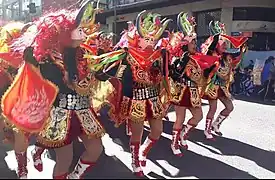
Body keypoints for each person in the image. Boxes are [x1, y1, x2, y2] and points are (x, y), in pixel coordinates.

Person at [13, 1, 105, 178]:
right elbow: (37, 67)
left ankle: (74, 176)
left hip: (84, 111)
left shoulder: (82, 55)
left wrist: (103, 72)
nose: (84, 35)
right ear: (65, 34)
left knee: (96, 149)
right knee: (65, 158)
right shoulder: (48, 60)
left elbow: (92, 80)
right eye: (80, 31)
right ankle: (27, 163)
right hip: (60, 113)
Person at [87, 10, 171, 177]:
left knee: (157, 130)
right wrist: (104, 74)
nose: (150, 42)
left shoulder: (157, 55)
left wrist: (163, 61)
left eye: (152, 39)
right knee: (137, 133)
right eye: (146, 39)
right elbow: (109, 72)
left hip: (153, 98)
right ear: (137, 39)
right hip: (136, 99)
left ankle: (144, 152)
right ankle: (135, 160)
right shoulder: (127, 54)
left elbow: (163, 74)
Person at [164, 13, 219, 155]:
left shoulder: (197, 58)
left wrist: (210, 69)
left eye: (195, 42)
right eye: (193, 42)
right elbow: (174, 74)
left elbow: (202, 74)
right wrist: (182, 62)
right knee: (180, 119)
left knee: (198, 116)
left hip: (193, 91)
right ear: (185, 44)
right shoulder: (178, 58)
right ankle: (174, 143)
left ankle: (183, 134)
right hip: (181, 90)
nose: (195, 45)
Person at [0, 21, 37, 179]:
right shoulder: (4, 60)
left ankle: (23, 168)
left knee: (21, 134)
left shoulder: (30, 58)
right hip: (4, 100)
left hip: (20, 103)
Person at [201, 21, 248, 139]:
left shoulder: (227, 57)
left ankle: (216, 124)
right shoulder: (211, 54)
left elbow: (235, 62)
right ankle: (207, 130)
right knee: (213, 108)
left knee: (230, 107)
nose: (225, 45)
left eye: (226, 44)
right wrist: (217, 37)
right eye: (223, 43)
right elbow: (209, 51)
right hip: (212, 86)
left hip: (222, 87)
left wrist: (242, 48)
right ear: (217, 44)